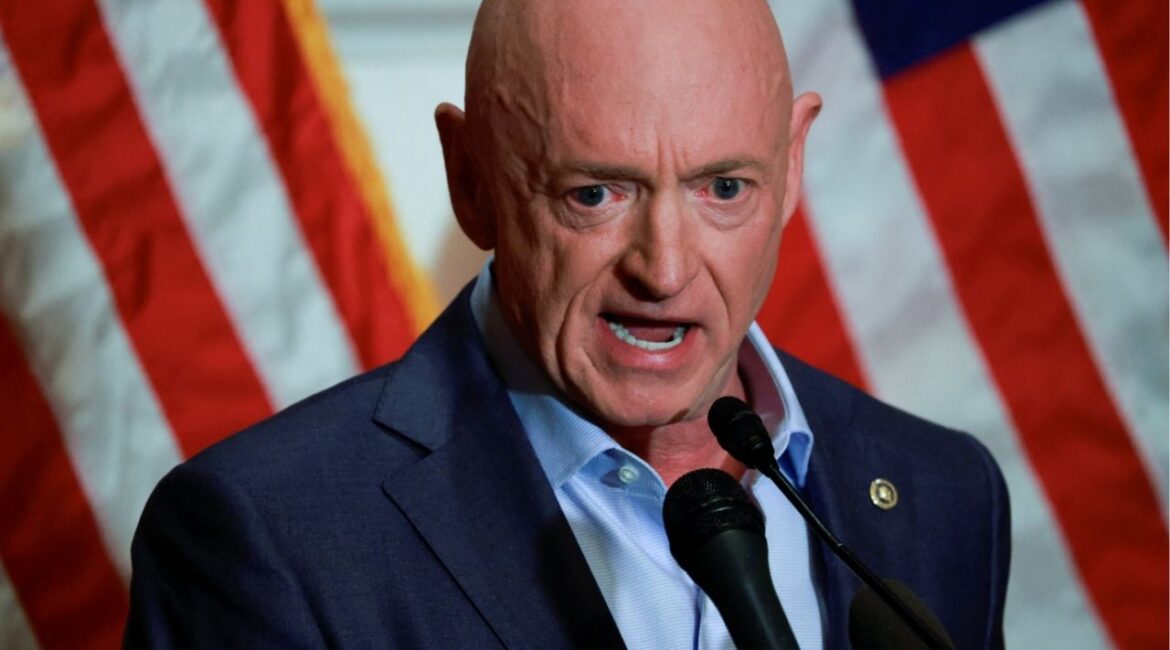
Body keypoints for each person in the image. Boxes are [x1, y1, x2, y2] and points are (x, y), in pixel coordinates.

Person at [125, 0, 1010, 648]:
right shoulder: (269, 536)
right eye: (595, 194)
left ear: (793, 161)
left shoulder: (943, 492)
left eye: (724, 189)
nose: (663, 269)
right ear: (471, 180)